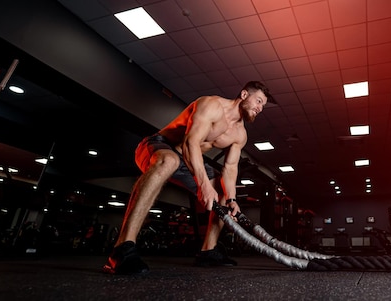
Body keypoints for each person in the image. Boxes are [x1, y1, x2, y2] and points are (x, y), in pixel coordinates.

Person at [103, 81, 273, 274]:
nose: (260, 108)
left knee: (223, 190)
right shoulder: (211, 105)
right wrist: (203, 185)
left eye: (263, 106)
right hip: (160, 147)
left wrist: (232, 199)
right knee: (170, 161)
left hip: (188, 162)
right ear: (244, 95)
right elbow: (189, 143)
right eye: (258, 101)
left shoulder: (240, 134)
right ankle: (122, 248)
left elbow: (230, 168)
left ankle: (208, 251)